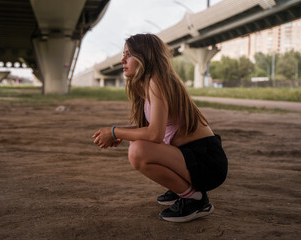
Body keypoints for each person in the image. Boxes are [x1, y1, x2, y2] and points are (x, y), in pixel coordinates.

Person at [92, 33, 228, 223]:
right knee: (138, 144)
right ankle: (183, 188)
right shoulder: (146, 85)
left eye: (129, 54)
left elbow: (155, 134)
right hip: (190, 156)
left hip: (207, 161)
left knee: (138, 151)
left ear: (145, 56)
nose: (122, 59)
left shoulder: (157, 81)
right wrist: (122, 133)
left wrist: (114, 131)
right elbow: (150, 127)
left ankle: (194, 199)